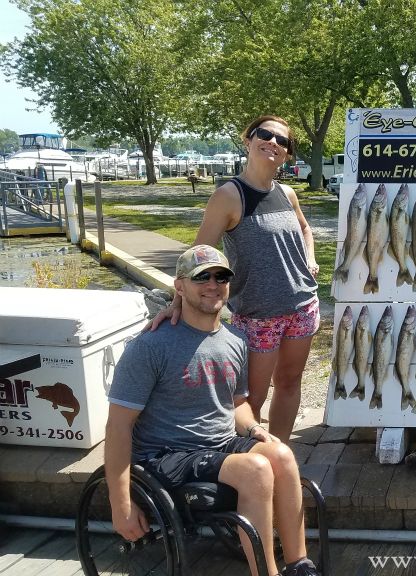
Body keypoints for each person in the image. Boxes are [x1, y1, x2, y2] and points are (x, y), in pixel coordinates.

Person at [106, 245, 320, 576]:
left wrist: (255, 430)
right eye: (201, 277)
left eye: (221, 276)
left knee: (281, 455)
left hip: (217, 444)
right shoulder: (150, 346)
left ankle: (299, 564)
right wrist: (121, 505)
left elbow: (236, 405)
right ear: (180, 287)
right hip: (166, 455)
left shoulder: (235, 340)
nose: (212, 284)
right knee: (256, 469)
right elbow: (118, 426)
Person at [152, 115, 320, 439]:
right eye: (266, 134)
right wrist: (178, 302)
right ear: (248, 140)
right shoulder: (229, 196)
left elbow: (304, 228)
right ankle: (252, 460)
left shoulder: (287, 193)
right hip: (258, 316)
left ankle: (280, 453)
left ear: (286, 154)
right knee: (250, 399)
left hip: (302, 307)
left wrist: (309, 257)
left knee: (288, 383)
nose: (273, 142)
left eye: (282, 141)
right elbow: (198, 255)